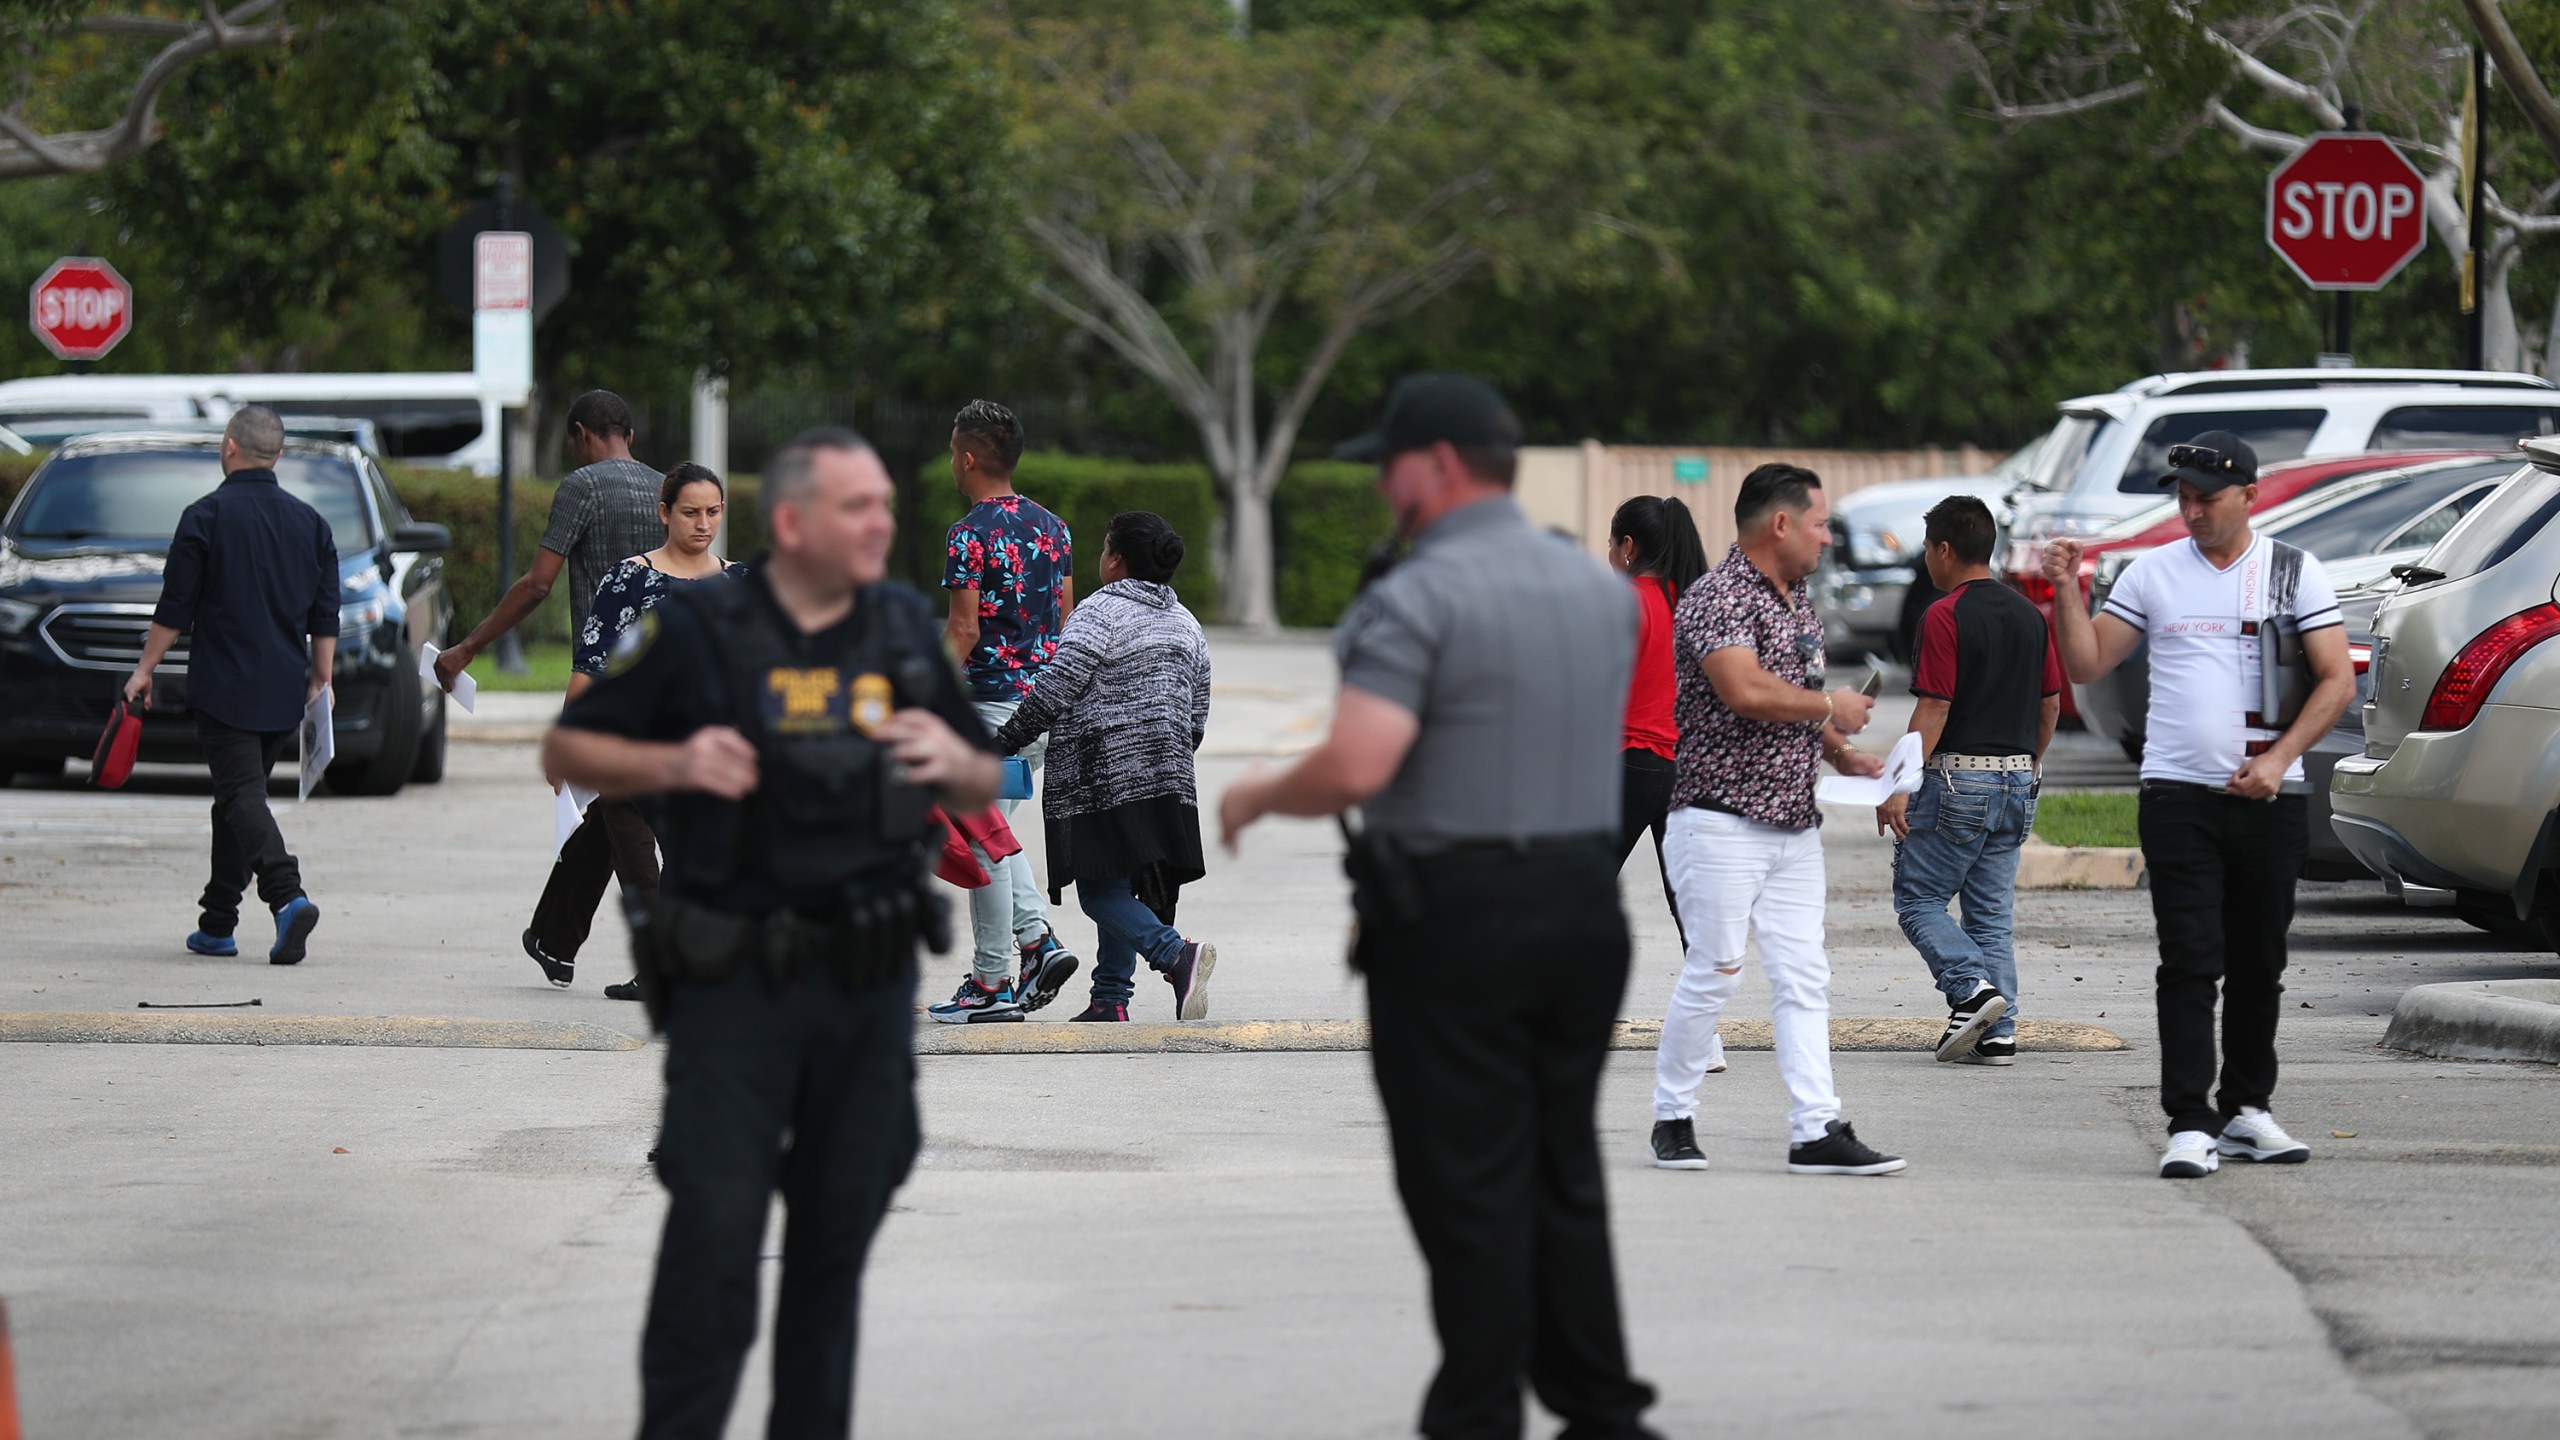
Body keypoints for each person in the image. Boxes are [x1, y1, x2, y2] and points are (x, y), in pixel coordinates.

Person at [1221, 375, 1662, 1440]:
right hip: (1580, 908)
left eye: (1389, 464)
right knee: (1559, 1160)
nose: (1380, 485)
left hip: (1459, 917)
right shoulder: (1598, 589)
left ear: (1439, 466)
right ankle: (1600, 1406)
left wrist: (1256, 792)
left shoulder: (1414, 596)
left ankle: (1475, 1413)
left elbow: (1360, 763)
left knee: (1463, 1180)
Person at [541, 427, 999, 1439]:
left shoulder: (899, 631)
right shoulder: (707, 630)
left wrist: (943, 757)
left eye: (885, 503)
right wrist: (671, 765)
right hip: (733, 990)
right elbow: (569, 744)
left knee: (832, 1262)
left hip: (865, 990)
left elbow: (981, 777)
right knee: (713, 1239)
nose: (883, 522)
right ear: (793, 524)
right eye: (858, 507)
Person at [2043, 429, 2354, 1180]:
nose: (2191, 511)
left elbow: (2336, 679)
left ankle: (2247, 1110)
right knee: (2189, 959)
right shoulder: (2154, 573)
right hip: (2177, 793)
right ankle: (2189, 1120)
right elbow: (2087, 662)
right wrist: (2064, 590)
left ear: (2249, 495)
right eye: (2182, 497)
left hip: (2269, 799)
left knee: (2260, 960)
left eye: (2206, 498)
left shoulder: (2292, 572)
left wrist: (2279, 761)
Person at [1648, 462, 1906, 1178]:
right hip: (1719, 819)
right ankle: (1673, 1115)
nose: (1828, 537)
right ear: (1781, 523)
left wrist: (1840, 753)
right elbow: (1744, 690)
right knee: (1716, 970)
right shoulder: (1717, 596)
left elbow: (1792, 696)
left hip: (1793, 823)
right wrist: (1829, 708)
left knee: (1804, 977)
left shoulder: (1796, 604)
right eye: (1820, 523)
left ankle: (1816, 1128)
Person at [431, 391, 664, 989]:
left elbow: (538, 585)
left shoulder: (581, 487)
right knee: (616, 811)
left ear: (582, 435)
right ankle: (555, 939)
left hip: (608, 673)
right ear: (629, 436)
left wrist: (468, 646)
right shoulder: (670, 490)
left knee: (624, 811)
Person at [522, 463, 747, 1001]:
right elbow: (592, 663)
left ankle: (555, 939)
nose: (703, 524)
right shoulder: (630, 579)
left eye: (713, 512)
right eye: (690, 512)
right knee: (642, 845)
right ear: (664, 513)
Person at [123, 405, 335, 965]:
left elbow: (175, 607)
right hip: (282, 691)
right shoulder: (311, 524)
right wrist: (322, 677)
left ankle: (287, 896)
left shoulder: (205, 516)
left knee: (241, 797)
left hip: (224, 687)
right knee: (238, 803)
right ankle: (217, 923)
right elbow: (325, 614)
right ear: (279, 455)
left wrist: (144, 670)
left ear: (229, 447)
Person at [990, 511, 1215, 1021]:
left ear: (1115, 559)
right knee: (1124, 884)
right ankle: (1110, 999)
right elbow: (1197, 711)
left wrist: (1002, 739)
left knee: (1098, 891)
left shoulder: (1099, 612)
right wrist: (1167, 758)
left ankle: (1174, 954)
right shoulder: (1187, 622)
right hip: (1168, 779)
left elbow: (1055, 689)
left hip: (1103, 775)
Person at [1878, 495, 2062, 1066]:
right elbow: (2050, 704)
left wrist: (1898, 784)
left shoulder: (1944, 614)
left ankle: (1971, 989)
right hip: (2017, 782)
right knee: (1989, 913)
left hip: (1959, 780)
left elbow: (1934, 707)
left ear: (1945, 549)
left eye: (1928, 549)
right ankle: (1999, 1031)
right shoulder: (2030, 615)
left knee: (1919, 898)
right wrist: (2027, 764)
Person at [928, 398, 1082, 1023]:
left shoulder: (968, 534)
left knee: (984, 842)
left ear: (967, 458)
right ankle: (1028, 950)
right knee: (994, 834)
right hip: (1042, 707)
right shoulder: (1055, 528)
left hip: (987, 709)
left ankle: (998, 979)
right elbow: (1068, 620)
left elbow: (963, 629)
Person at [1607, 494, 1708, 938]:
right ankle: (1704, 1004)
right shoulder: (1697, 604)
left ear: (1628, 545)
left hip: (1627, 762)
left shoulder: (1624, 601)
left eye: (1611, 544)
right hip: (1685, 768)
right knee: (1689, 905)